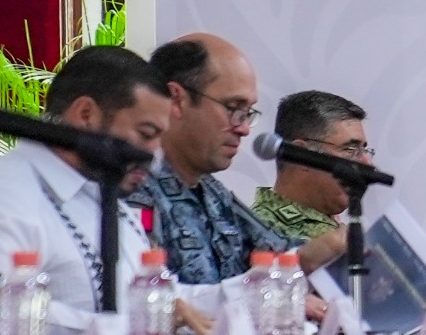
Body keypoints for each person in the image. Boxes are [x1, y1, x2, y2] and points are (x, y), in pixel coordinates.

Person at [0, 45, 214, 335]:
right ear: (86, 115)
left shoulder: (103, 193)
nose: (154, 157)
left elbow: (170, 302)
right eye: (146, 134)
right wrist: (133, 328)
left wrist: (256, 289)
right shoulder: (2, 194)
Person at [143, 34, 340, 283]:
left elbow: (277, 252)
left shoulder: (213, 192)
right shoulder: (133, 191)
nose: (244, 129)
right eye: (233, 108)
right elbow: (156, 296)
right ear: (176, 99)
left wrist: (329, 249)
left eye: (247, 113)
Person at [250, 90, 371, 241]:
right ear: (300, 155)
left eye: (364, 150)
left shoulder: (331, 227)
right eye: (350, 150)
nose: (366, 162)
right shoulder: (265, 233)